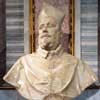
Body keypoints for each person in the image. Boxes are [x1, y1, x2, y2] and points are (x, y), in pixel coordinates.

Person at [3, 2, 97, 100]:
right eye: (41, 27)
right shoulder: (23, 64)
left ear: (60, 33)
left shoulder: (78, 66)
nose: (44, 30)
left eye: (50, 25)